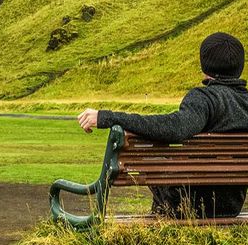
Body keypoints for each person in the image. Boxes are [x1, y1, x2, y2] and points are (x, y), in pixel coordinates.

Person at [78, 32, 248, 218]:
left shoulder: (205, 99)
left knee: (157, 163)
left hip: (188, 203)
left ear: (204, 67)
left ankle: (160, 231)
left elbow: (175, 128)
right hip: (231, 206)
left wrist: (107, 117)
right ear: (240, 66)